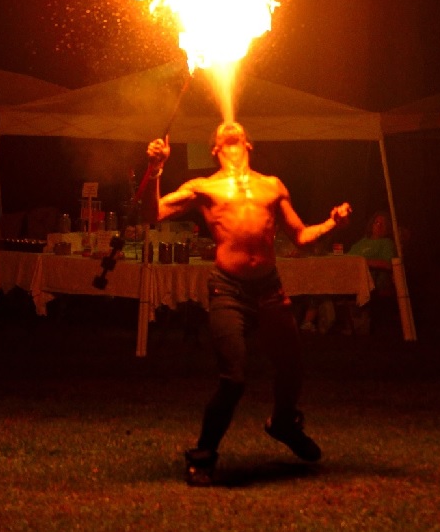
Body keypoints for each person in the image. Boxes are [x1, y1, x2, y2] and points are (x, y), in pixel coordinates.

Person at [142, 121, 351, 486]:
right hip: (228, 289)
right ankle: (203, 455)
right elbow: (151, 214)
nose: (229, 124)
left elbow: (301, 236)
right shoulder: (203, 187)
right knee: (234, 379)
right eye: (222, 130)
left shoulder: (272, 185)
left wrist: (332, 223)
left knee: (292, 367)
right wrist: (155, 168)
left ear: (248, 144)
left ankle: (283, 423)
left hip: (268, 289)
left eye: (236, 128)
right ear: (215, 149)